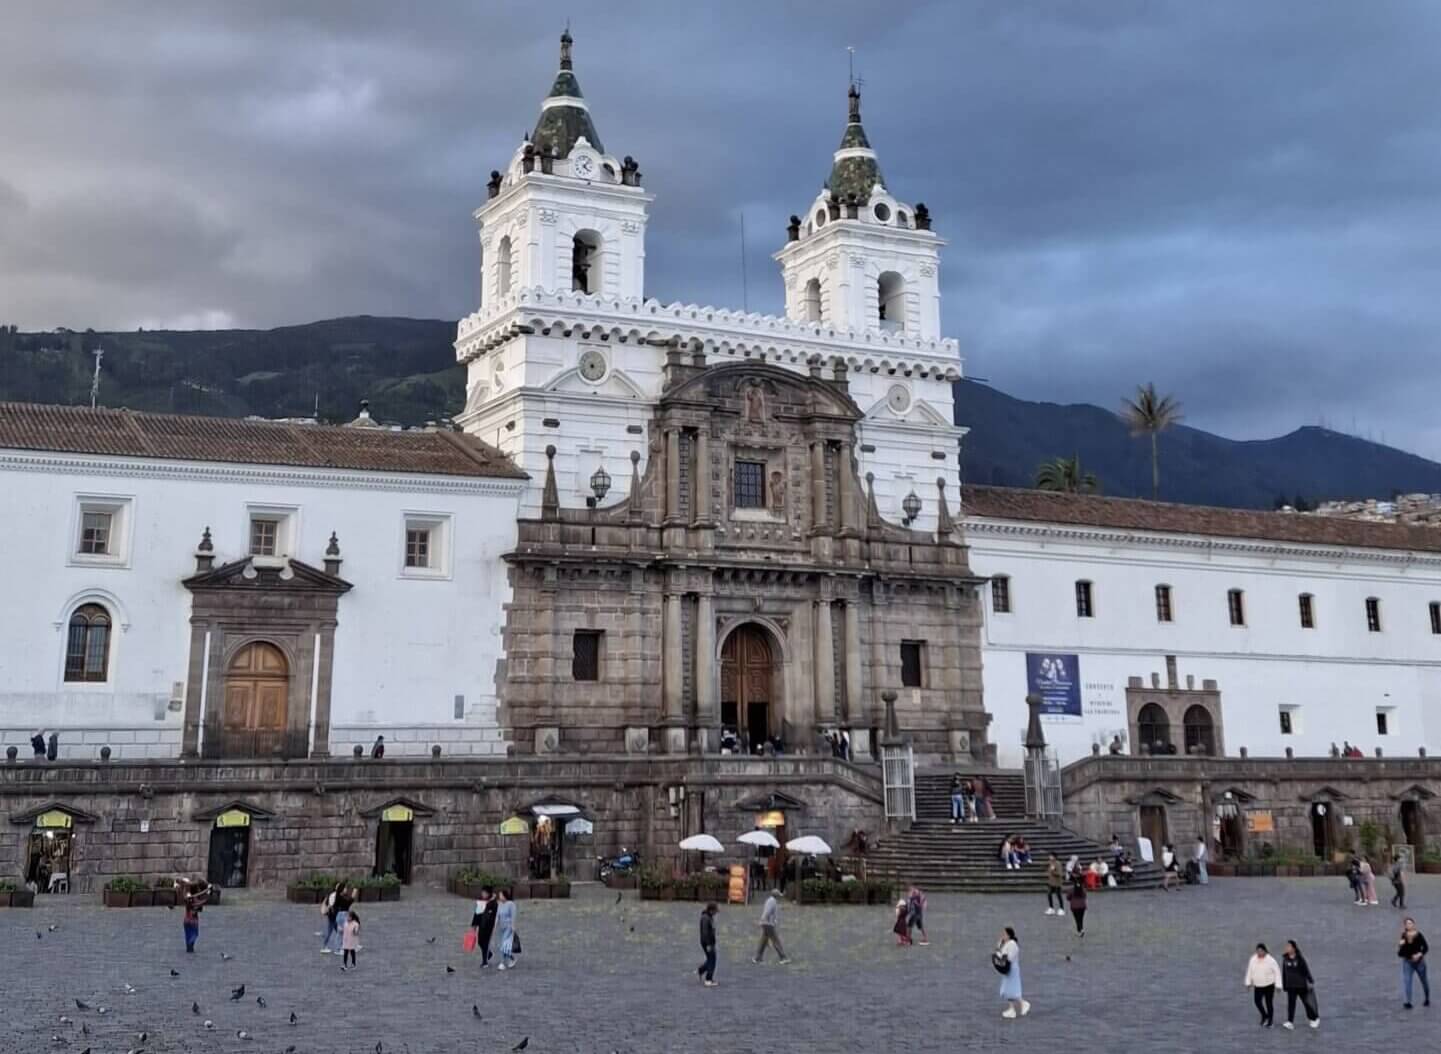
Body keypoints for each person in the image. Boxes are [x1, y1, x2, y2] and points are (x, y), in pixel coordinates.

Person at [1280, 940, 1320, 1029]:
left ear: (1294, 948)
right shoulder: (1285, 959)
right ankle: (1290, 1022)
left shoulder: (1299, 958)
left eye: (1289, 946)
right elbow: (1284, 973)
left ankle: (1314, 1018)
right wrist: (1284, 985)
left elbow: (1305, 970)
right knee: (1291, 1004)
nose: (1287, 948)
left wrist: (1310, 980)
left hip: (1300, 985)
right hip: (1290, 986)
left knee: (1306, 1003)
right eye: (1287, 946)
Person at [1244, 942, 1280, 1027]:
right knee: (1257, 1001)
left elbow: (1277, 972)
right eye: (1258, 951)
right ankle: (1264, 1015)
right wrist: (1248, 983)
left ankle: (1270, 1021)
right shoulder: (1253, 959)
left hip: (1269, 985)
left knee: (1269, 1003)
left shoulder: (1271, 960)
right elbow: (1250, 971)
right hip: (1258, 985)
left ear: (1265, 951)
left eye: (1261, 951)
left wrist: (1278, 985)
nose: (1259, 953)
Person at [995, 926, 1028, 1019]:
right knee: (1007, 990)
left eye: (1004, 934)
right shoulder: (1006, 944)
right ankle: (1011, 1009)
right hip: (1008, 969)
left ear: (1009, 935)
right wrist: (999, 947)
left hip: (1011, 969)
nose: (1003, 936)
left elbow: (1009, 957)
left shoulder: (1012, 944)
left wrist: (1000, 955)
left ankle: (1023, 1003)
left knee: (1012, 989)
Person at [1398, 917, 1430, 1008]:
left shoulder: (1419, 935)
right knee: (1407, 981)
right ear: (1405, 926)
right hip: (1408, 962)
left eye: (1410, 923)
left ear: (1413, 925)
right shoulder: (1403, 936)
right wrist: (1401, 945)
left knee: (1424, 980)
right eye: (1407, 924)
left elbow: (1426, 947)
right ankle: (1408, 1002)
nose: (1409, 925)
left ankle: (1427, 998)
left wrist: (1419, 954)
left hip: (1419, 962)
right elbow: (1400, 953)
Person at [753, 892, 789, 964]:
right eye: (779, 896)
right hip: (769, 923)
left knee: (763, 941)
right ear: (776, 896)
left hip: (766, 923)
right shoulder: (772, 901)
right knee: (776, 941)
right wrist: (763, 920)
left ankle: (757, 957)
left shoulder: (769, 900)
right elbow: (767, 912)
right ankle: (783, 957)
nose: (780, 898)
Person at [179, 878, 210, 954]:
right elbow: (198, 905)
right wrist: (206, 897)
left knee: (188, 937)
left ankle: (189, 949)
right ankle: (190, 950)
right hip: (193, 921)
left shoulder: (188, 897)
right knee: (194, 935)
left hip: (186, 920)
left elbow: (198, 906)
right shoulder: (192, 898)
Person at [471, 887, 498, 967]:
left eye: (485, 893)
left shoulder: (493, 903)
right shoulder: (480, 901)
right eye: (482, 892)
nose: (483, 894)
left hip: (489, 926)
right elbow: (477, 914)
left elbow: (494, 915)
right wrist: (474, 925)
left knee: (485, 943)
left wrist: (488, 903)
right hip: (481, 925)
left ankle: (485, 962)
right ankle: (488, 954)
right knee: (480, 942)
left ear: (489, 893)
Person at [697, 902, 719, 986]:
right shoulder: (706, 918)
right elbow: (705, 933)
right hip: (707, 943)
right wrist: (708, 944)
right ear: (711, 910)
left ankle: (701, 970)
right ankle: (708, 979)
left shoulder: (708, 917)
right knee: (712, 960)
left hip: (709, 942)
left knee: (710, 959)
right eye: (715, 911)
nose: (716, 913)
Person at [496, 888, 518, 971]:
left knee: (503, 944)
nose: (500, 897)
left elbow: (513, 915)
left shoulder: (511, 904)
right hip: (501, 927)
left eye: (501, 895)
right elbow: (497, 916)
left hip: (508, 927)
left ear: (505, 896)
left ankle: (502, 963)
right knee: (504, 946)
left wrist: (513, 926)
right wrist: (495, 925)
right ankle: (511, 958)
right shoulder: (499, 904)